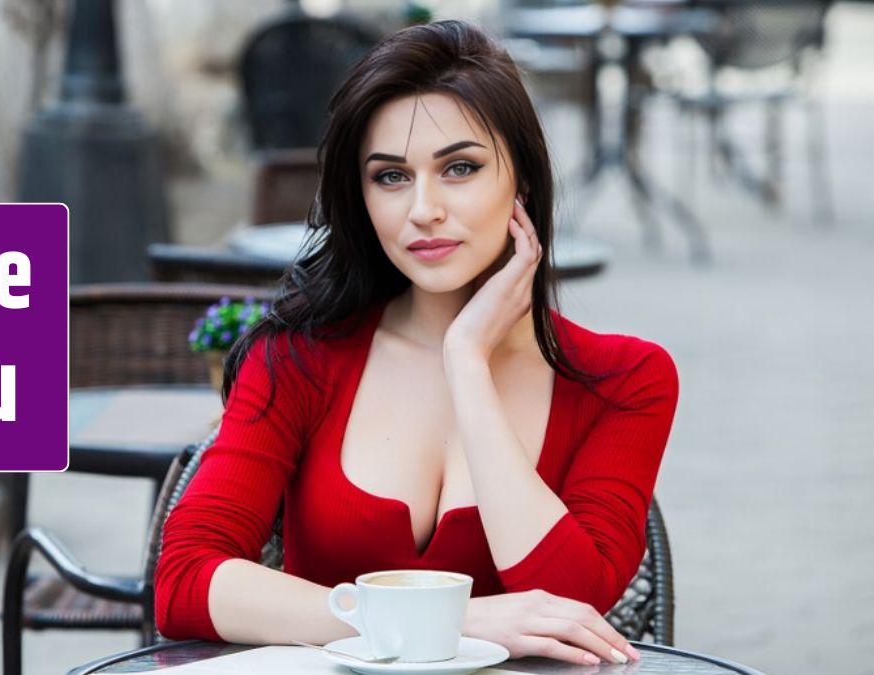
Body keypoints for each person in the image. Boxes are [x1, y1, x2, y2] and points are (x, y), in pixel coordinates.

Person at [155, 20, 677, 667]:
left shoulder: (624, 378)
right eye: (391, 176)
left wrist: (467, 362)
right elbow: (184, 580)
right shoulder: (299, 359)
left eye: (460, 167)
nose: (423, 208)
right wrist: (438, 622)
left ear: (525, 183)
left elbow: (575, 597)